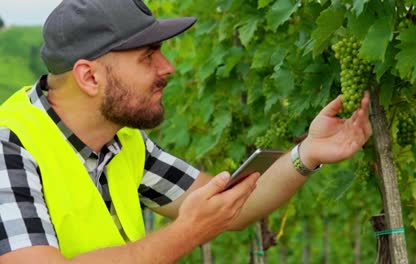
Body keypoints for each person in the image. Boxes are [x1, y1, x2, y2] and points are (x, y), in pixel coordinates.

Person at [0, 0, 372, 263]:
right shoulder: (10, 144)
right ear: (89, 76)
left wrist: (307, 153)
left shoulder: (124, 142)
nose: (168, 67)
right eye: (148, 56)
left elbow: (231, 207)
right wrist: (186, 233)